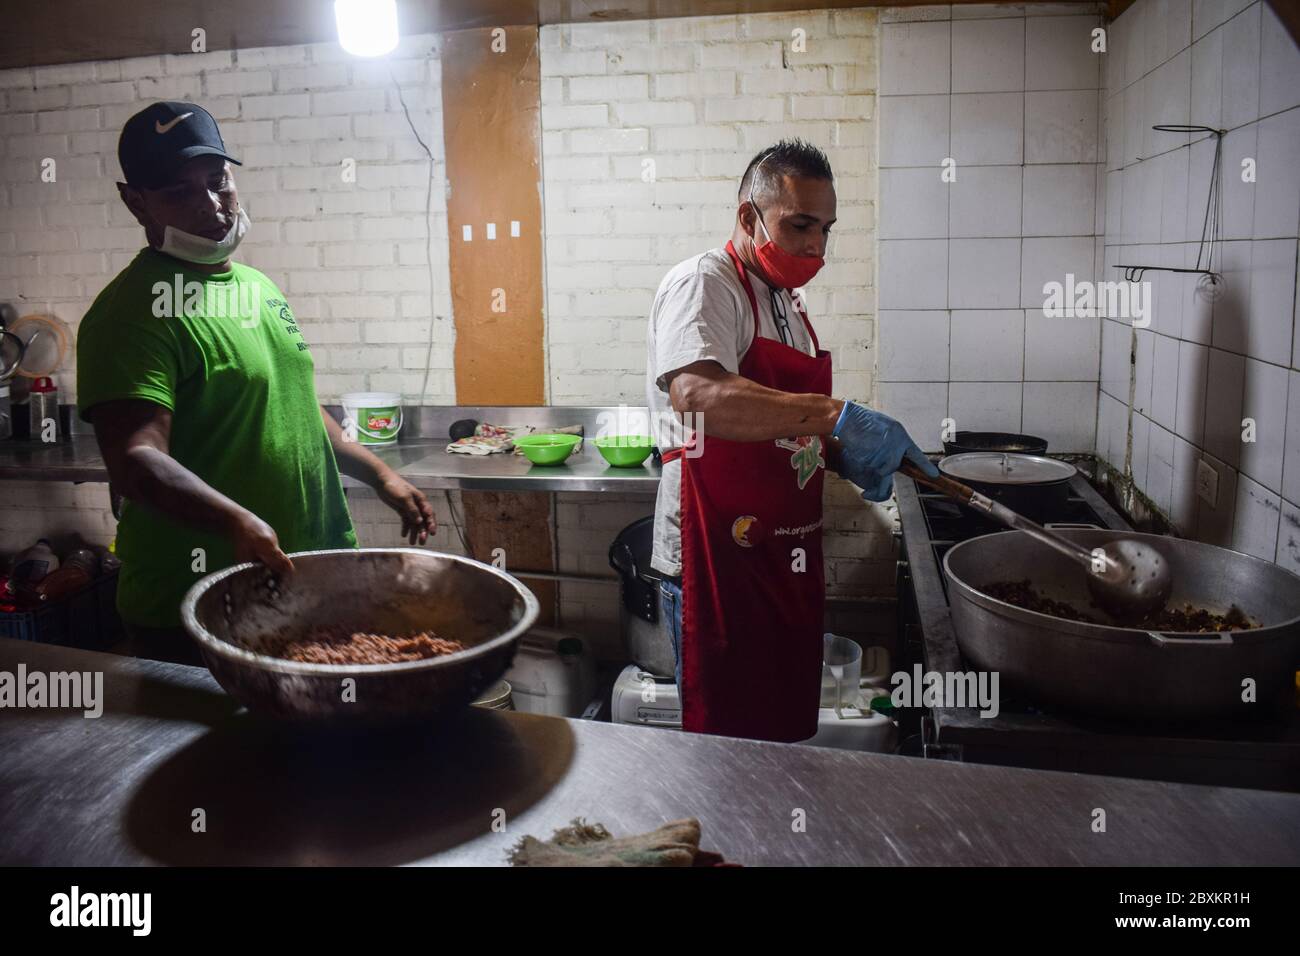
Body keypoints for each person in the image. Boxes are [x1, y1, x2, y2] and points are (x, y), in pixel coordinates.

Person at [76, 101, 434, 665]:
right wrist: (235, 521)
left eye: (218, 180)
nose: (211, 205)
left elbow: (293, 405)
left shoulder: (256, 286)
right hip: (199, 602)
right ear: (134, 200)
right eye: (180, 191)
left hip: (303, 580)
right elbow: (135, 458)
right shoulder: (129, 314)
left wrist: (381, 475)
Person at [645, 139, 938, 742]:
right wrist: (836, 415)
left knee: (775, 737)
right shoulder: (706, 283)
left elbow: (782, 426)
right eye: (799, 224)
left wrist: (842, 451)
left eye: (826, 229)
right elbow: (698, 394)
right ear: (749, 216)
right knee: (725, 745)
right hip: (714, 555)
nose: (815, 245)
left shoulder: (785, 301)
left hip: (781, 551)